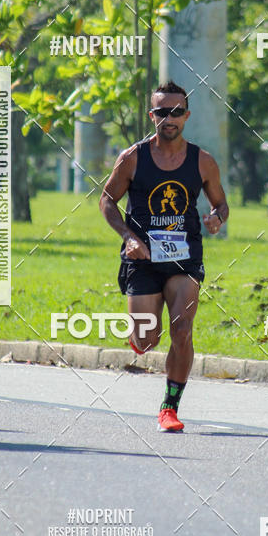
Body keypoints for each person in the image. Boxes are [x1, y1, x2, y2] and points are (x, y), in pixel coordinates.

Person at [100, 81, 229, 432]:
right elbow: (107, 200)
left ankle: (169, 408)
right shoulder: (132, 158)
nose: (169, 118)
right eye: (162, 112)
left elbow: (221, 204)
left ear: (186, 116)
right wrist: (128, 236)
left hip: (184, 258)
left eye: (176, 112)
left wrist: (217, 218)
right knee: (147, 339)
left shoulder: (203, 161)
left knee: (182, 330)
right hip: (142, 258)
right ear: (151, 115)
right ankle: (140, 336)